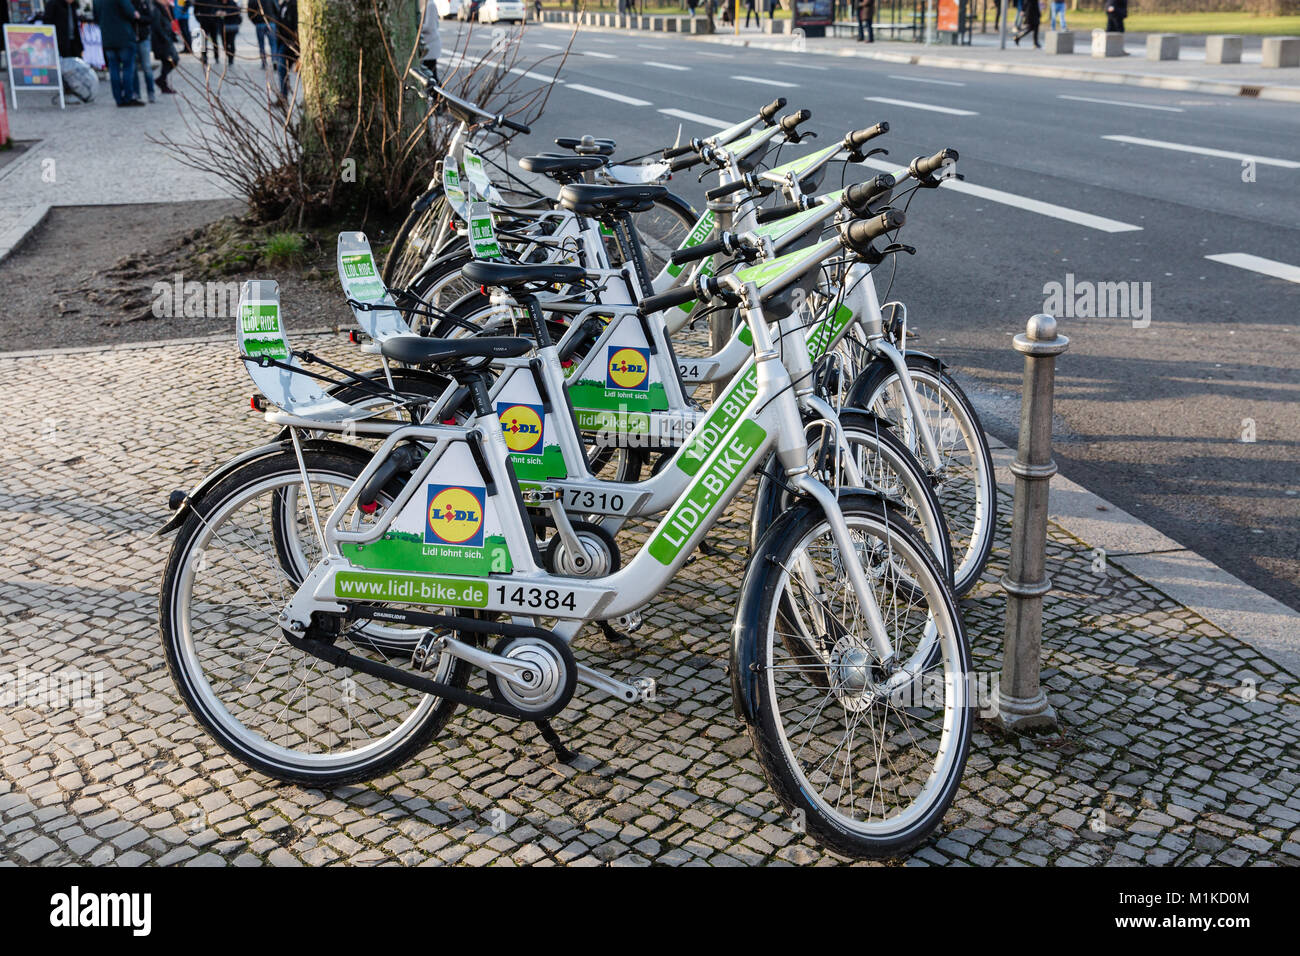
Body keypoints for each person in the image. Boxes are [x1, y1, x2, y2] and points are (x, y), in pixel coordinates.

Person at [93, 0, 144, 105]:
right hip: (124, 37)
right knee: (127, 68)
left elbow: (96, 18)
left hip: (107, 39)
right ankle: (128, 97)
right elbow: (131, 13)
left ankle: (118, 98)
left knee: (113, 69)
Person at [150, 0, 178, 92]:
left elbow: (170, 20)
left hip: (165, 39)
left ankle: (162, 81)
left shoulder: (164, 7)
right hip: (162, 41)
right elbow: (156, 26)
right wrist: (165, 38)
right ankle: (162, 81)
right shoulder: (155, 8)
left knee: (170, 61)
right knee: (172, 60)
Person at [271, 0, 297, 100]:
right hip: (283, 43)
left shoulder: (294, 5)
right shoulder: (283, 5)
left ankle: (307, 99)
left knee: (302, 73)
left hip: (293, 45)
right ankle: (283, 96)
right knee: (282, 69)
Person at [130, 0, 155, 102]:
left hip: (143, 38)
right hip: (131, 39)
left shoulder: (144, 2)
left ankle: (151, 92)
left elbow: (150, 18)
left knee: (147, 67)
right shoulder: (127, 3)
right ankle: (136, 93)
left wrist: (139, 17)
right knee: (133, 68)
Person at [193, 0, 221, 65]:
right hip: (204, 22)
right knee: (203, 41)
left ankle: (216, 56)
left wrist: (217, 19)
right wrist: (200, 19)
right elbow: (196, 11)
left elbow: (219, 8)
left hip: (214, 22)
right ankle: (204, 56)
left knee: (214, 40)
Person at [248, 0, 272, 68]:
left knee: (262, 45)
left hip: (261, 24)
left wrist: (255, 22)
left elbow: (250, 13)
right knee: (273, 44)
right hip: (269, 23)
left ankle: (264, 62)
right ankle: (274, 60)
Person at [420, 0, 440, 81]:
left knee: (431, 77)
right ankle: (439, 93)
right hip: (427, 44)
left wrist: (417, 28)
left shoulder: (430, 5)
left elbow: (430, 27)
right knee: (430, 77)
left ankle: (440, 93)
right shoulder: (426, 4)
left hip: (431, 45)